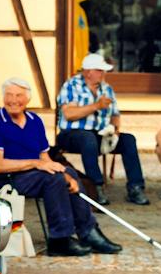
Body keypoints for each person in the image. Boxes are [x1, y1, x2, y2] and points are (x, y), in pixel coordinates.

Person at [0, 77, 121, 257]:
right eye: (9, 95)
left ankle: (88, 232)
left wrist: (64, 174)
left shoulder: (34, 120)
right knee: (53, 179)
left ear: (28, 99)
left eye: (19, 95)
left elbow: (45, 158)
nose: (13, 100)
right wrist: (36, 164)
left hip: (28, 176)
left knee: (67, 172)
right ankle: (60, 240)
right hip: (2, 180)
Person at [54, 53, 149, 205]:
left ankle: (136, 187)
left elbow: (115, 114)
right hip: (71, 135)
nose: (103, 73)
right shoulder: (71, 85)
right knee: (88, 138)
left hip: (101, 134)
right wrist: (96, 105)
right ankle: (96, 187)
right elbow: (69, 114)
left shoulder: (106, 88)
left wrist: (115, 130)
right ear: (87, 72)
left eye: (103, 70)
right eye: (99, 70)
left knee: (128, 140)